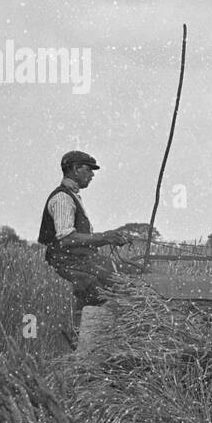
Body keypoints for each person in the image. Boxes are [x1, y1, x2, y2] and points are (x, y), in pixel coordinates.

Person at [37, 150, 132, 354]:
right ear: (74, 169)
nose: (92, 174)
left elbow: (80, 239)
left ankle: (91, 343)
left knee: (120, 276)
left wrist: (110, 238)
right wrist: (104, 237)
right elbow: (67, 238)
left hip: (76, 259)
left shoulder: (73, 196)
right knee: (105, 288)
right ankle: (88, 348)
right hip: (67, 261)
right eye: (88, 169)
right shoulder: (62, 199)